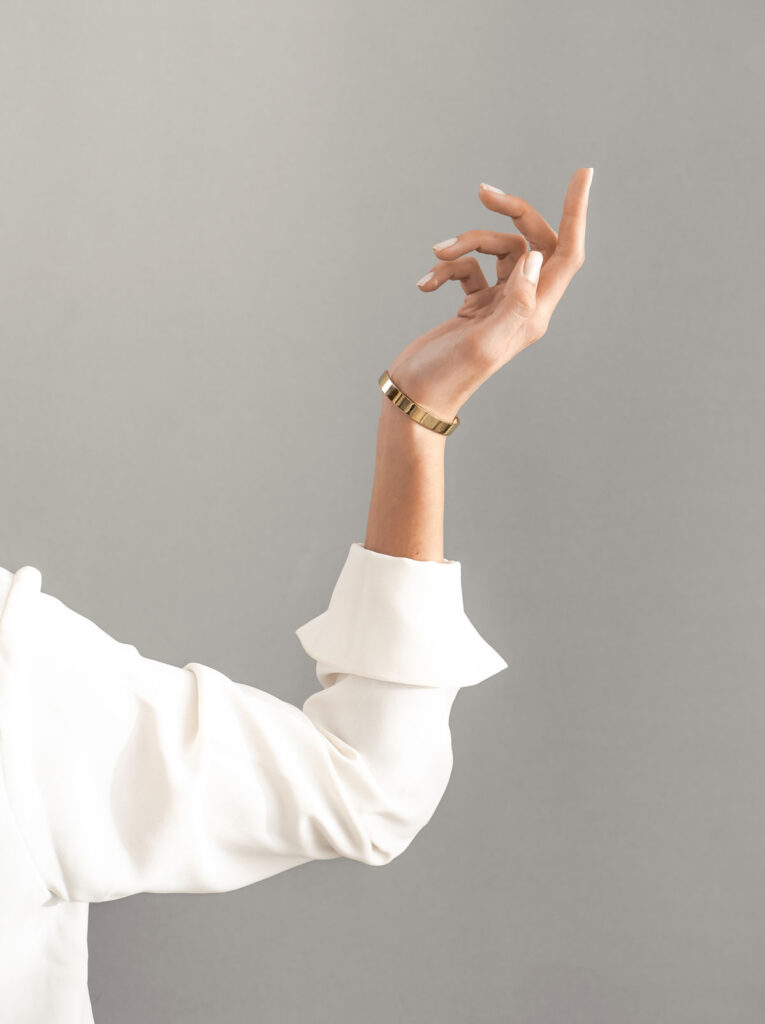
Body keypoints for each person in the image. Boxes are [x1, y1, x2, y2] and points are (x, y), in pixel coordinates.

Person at [0, 167, 593, 1023]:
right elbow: (369, 790)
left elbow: (364, 789)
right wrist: (415, 418)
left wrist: (417, 418)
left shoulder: (18, 684)